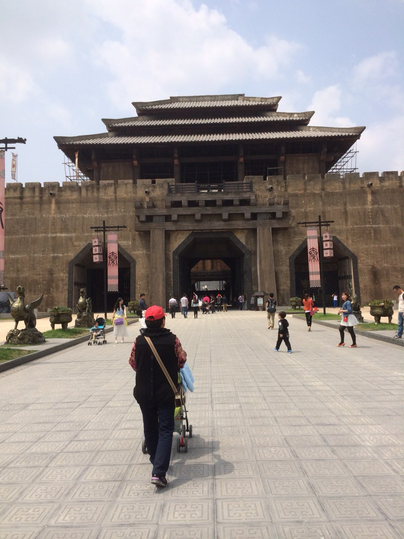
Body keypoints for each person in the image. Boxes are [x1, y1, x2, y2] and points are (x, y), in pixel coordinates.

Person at [129, 305, 187, 488]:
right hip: (166, 392)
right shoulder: (173, 340)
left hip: (144, 392)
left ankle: (156, 461)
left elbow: (133, 363)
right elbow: (181, 361)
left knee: (150, 427)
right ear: (163, 321)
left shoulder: (139, 341)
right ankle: (158, 472)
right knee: (166, 429)